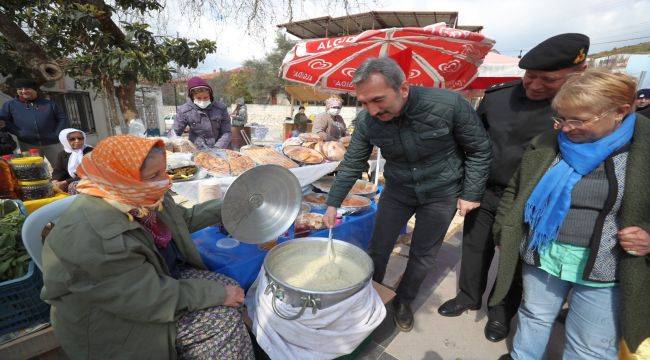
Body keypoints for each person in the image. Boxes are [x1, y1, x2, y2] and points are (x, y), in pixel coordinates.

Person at [41, 135, 254, 359]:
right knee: (223, 322)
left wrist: (229, 206)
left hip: (153, 280)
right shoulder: (96, 236)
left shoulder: (141, 197)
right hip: (111, 321)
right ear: (120, 178)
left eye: (164, 171)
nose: (166, 181)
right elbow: (147, 297)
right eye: (154, 175)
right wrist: (218, 295)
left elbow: (183, 220)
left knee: (232, 287)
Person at [438, 33, 590, 342]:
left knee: (516, 257)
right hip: (484, 189)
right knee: (474, 247)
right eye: (529, 76)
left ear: (579, 72)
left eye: (548, 79)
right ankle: (468, 295)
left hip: (532, 200)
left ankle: (501, 312)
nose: (534, 85)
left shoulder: (579, 111)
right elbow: (472, 143)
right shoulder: (497, 97)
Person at [323, 57, 492, 331]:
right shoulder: (367, 121)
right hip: (398, 190)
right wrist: (333, 203)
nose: (372, 110)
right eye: (364, 102)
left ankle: (403, 301)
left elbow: (479, 149)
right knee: (378, 247)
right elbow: (353, 162)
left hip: (442, 193)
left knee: (423, 254)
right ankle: (370, 296)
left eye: (378, 99)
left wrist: (470, 193)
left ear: (403, 88)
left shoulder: (448, 105)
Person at [492, 69, 650, 359]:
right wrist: (504, 228)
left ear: (620, 112)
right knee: (533, 316)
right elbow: (516, 190)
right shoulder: (549, 142)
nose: (566, 128)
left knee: (588, 346)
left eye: (578, 120)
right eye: (562, 118)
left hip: (607, 266)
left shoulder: (643, 150)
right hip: (544, 253)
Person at [0, 78, 68, 164]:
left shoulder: (49, 104)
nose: (23, 91)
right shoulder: (10, 105)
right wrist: (19, 132)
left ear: (34, 89)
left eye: (27, 88)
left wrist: (57, 134)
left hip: (52, 143)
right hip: (28, 145)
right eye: (20, 89)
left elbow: (62, 118)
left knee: (61, 168)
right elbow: (3, 121)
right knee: (34, 170)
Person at [173, 77, 231, 149]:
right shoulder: (184, 111)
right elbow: (175, 133)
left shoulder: (220, 108)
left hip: (220, 149)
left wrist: (217, 148)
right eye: (198, 98)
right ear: (192, 97)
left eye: (206, 97)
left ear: (210, 95)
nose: (202, 101)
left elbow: (226, 132)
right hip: (197, 150)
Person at [51, 128, 93, 194]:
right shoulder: (62, 154)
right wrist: (55, 181)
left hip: (89, 179)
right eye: (72, 139)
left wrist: (66, 182)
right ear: (65, 141)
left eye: (80, 138)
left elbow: (89, 173)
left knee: (74, 186)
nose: (77, 141)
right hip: (69, 180)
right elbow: (58, 171)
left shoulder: (90, 151)